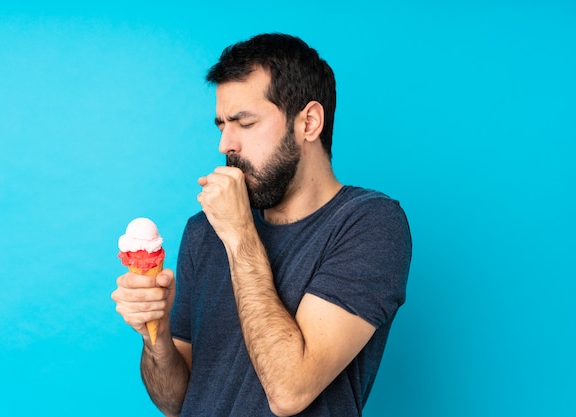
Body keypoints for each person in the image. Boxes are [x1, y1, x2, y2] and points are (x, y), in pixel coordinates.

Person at [112, 33, 412, 417]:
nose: (225, 144)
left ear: (309, 122)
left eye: (244, 123)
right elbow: (175, 403)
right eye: (221, 124)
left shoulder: (368, 223)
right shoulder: (204, 232)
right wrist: (156, 335)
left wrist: (239, 235)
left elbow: (289, 391)